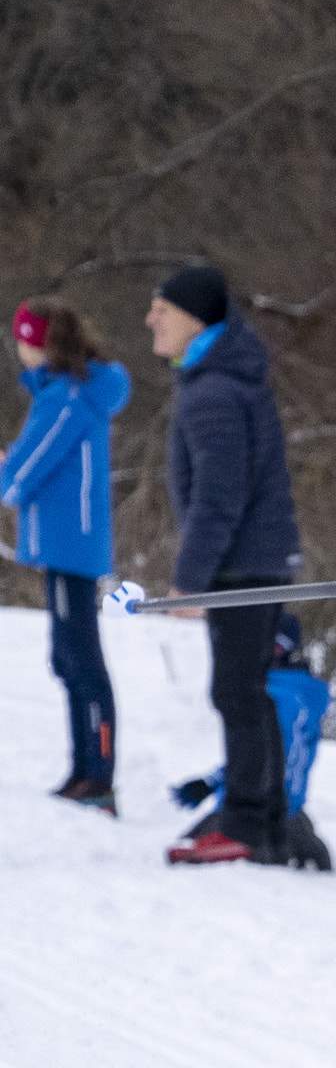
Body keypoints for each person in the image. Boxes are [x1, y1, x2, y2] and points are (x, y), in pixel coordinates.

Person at [147, 262, 302, 866]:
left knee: (238, 692)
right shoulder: (216, 380)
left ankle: (246, 821)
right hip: (253, 560)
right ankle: (257, 814)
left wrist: (191, 579)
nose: (150, 320)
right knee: (245, 691)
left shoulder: (213, 391)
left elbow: (219, 496)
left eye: (161, 310)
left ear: (193, 318)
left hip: (245, 565)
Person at [3, 298, 131, 813]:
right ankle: (85, 771)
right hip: (64, 544)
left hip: (68, 545)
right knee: (69, 658)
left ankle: (97, 777)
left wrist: (8, 473)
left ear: (37, 343)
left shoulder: (66, 399)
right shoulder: (67, 395)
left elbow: (24, 472)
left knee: (80, 661)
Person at [170, 612, 334, 870]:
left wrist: (215, 783)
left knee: (185, 858)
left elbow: (265, 758)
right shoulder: (296, 693)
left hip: (258, 814)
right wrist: (212, 783)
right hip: (286, 811)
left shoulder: (277, 697)